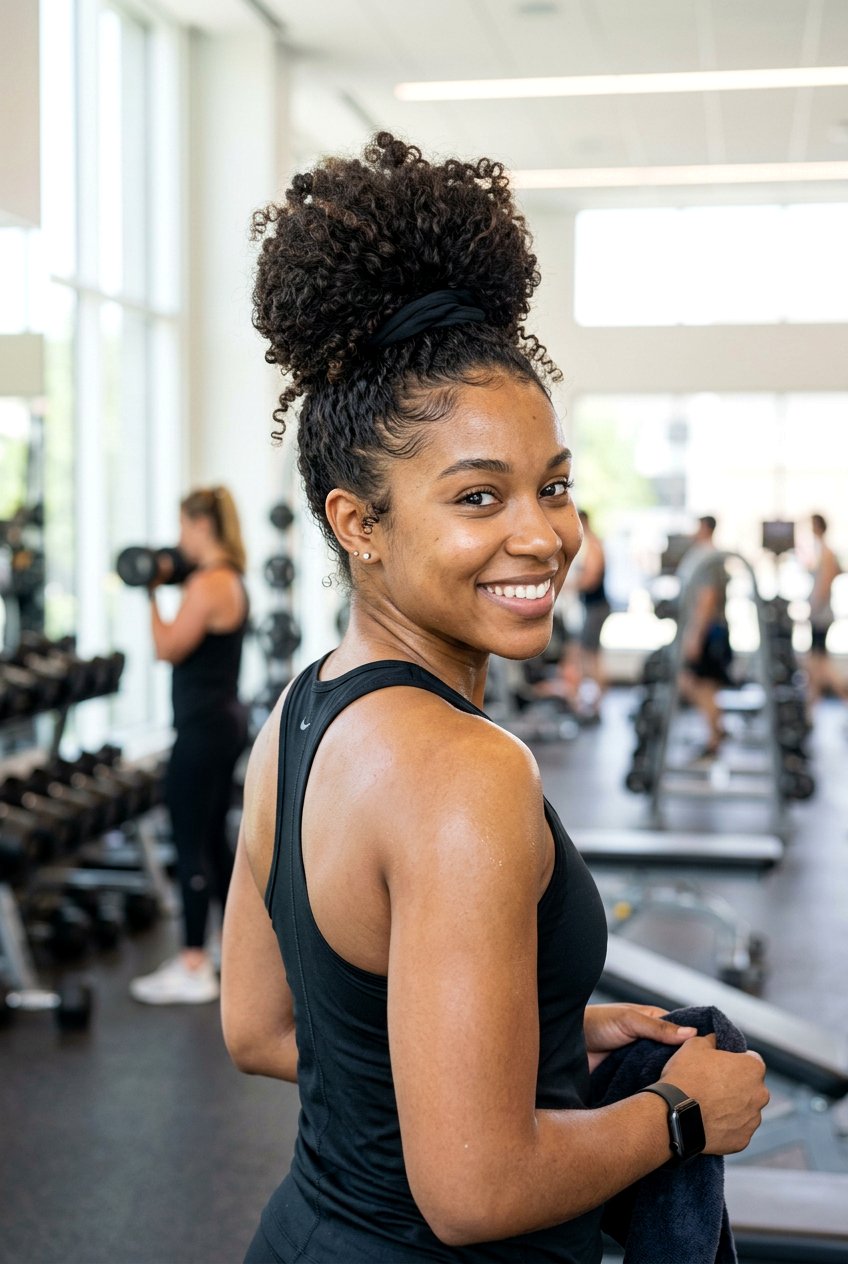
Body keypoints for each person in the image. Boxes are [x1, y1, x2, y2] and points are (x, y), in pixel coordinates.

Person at [221, 133, 768, 1262]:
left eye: (553, 486)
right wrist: (680, 1114)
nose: (544, 535)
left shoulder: (301, 714)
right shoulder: (468, 771)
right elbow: (474, 1189)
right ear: (358, 524)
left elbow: (263, 1026)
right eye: (479, 497)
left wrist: (534, 1036)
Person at [131, 486, 249, 1005]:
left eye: (184, 527)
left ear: (202, 526)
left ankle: (193, 964)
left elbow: (167, 648)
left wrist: (149, 592)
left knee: (190, 841)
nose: (180, 539)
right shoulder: (231, 578)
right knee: (214, 840)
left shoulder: (207, 584)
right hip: (223, 722)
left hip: (202, 730)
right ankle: (228, 948)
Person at [675, 515, 733, 757]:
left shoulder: (708, 557)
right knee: (703, 686)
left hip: (708, 631)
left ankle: (714, 737)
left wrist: (695, 636)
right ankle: (717, 730)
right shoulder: (704, 555)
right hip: (706, 629)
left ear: (706, 528)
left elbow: (708, 598)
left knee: (699, 684)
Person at [806, 512, 845, 704]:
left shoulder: (826, 552)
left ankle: (843, 695)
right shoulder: (820, 551)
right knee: (815, 663)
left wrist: (813, 609)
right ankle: (811, 704)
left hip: (821, 615)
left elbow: (825, 585)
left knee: (820, 662)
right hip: (819, 614)